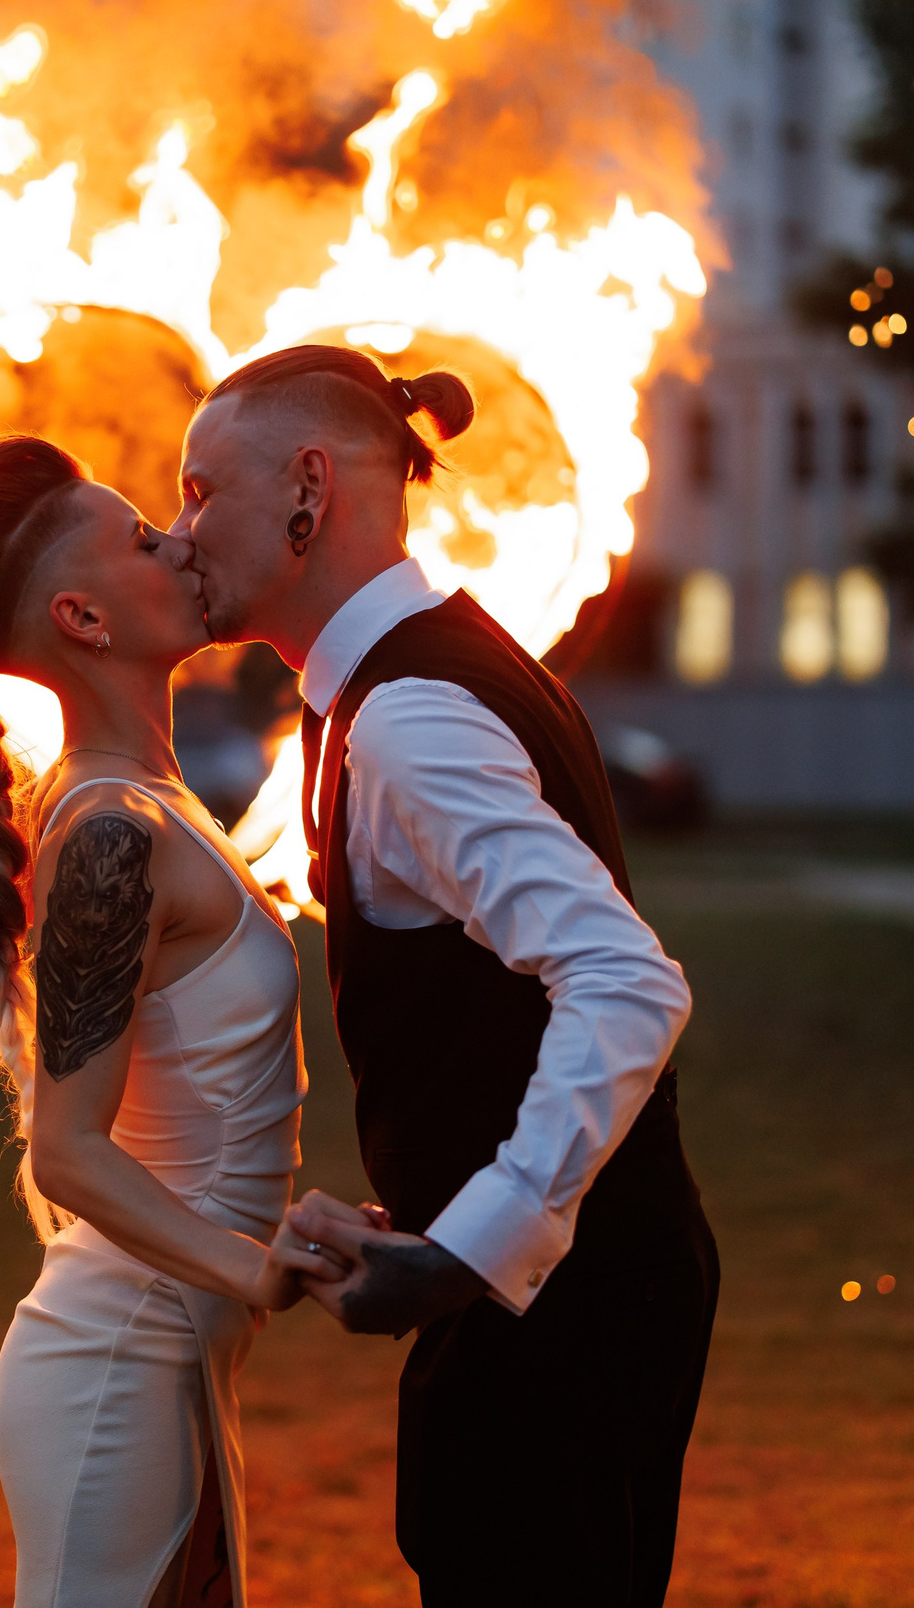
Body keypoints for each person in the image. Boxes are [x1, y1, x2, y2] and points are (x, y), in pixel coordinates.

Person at [169, 345, 719, 1605]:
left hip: (562, 1315)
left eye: (201, 491)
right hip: (574, 1293)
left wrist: (469, 1245)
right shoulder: (414, 678)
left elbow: (625, 981)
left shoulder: (409, 717)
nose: (179, 530)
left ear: (308, 489)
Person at [0, 434, 322, 1608]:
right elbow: (67, 1150)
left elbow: (1, 925)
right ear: (83, 618)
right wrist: (261, 1270)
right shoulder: (108, 830)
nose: (182, 541)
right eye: (145, 539)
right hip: (121, 1359)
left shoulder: (129, 807)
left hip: (174, 1347)